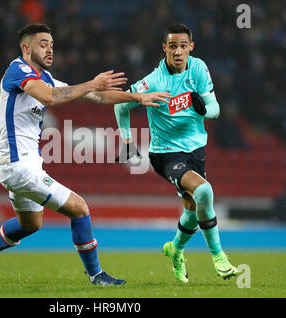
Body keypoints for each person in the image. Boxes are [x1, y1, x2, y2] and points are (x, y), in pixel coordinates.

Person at [0, 23, 171, 286]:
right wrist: (90, 83)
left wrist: (136, 98)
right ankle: (97, 275)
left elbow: (96, 96)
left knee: (29, 224)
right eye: (43, 44)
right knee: (79, 208)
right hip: (17, 164)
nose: (50, 49)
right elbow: (50, 98)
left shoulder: (47, 79)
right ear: (26, 48)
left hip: (24, 164)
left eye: (51, 44)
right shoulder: (18, 70)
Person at [114, 23, 238, 283]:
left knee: (193, 211)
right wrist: (126, 139)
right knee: (204, 191)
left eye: (183, 46)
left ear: (191, 47)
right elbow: (121, 105)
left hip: (195, 150)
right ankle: (219, 257)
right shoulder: (154, 81)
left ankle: (175, 249)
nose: (178, 51)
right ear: (164, 49)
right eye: (173, 46)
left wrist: (203, 109)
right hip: (166, 154)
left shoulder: (198, 68)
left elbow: (215, 107)